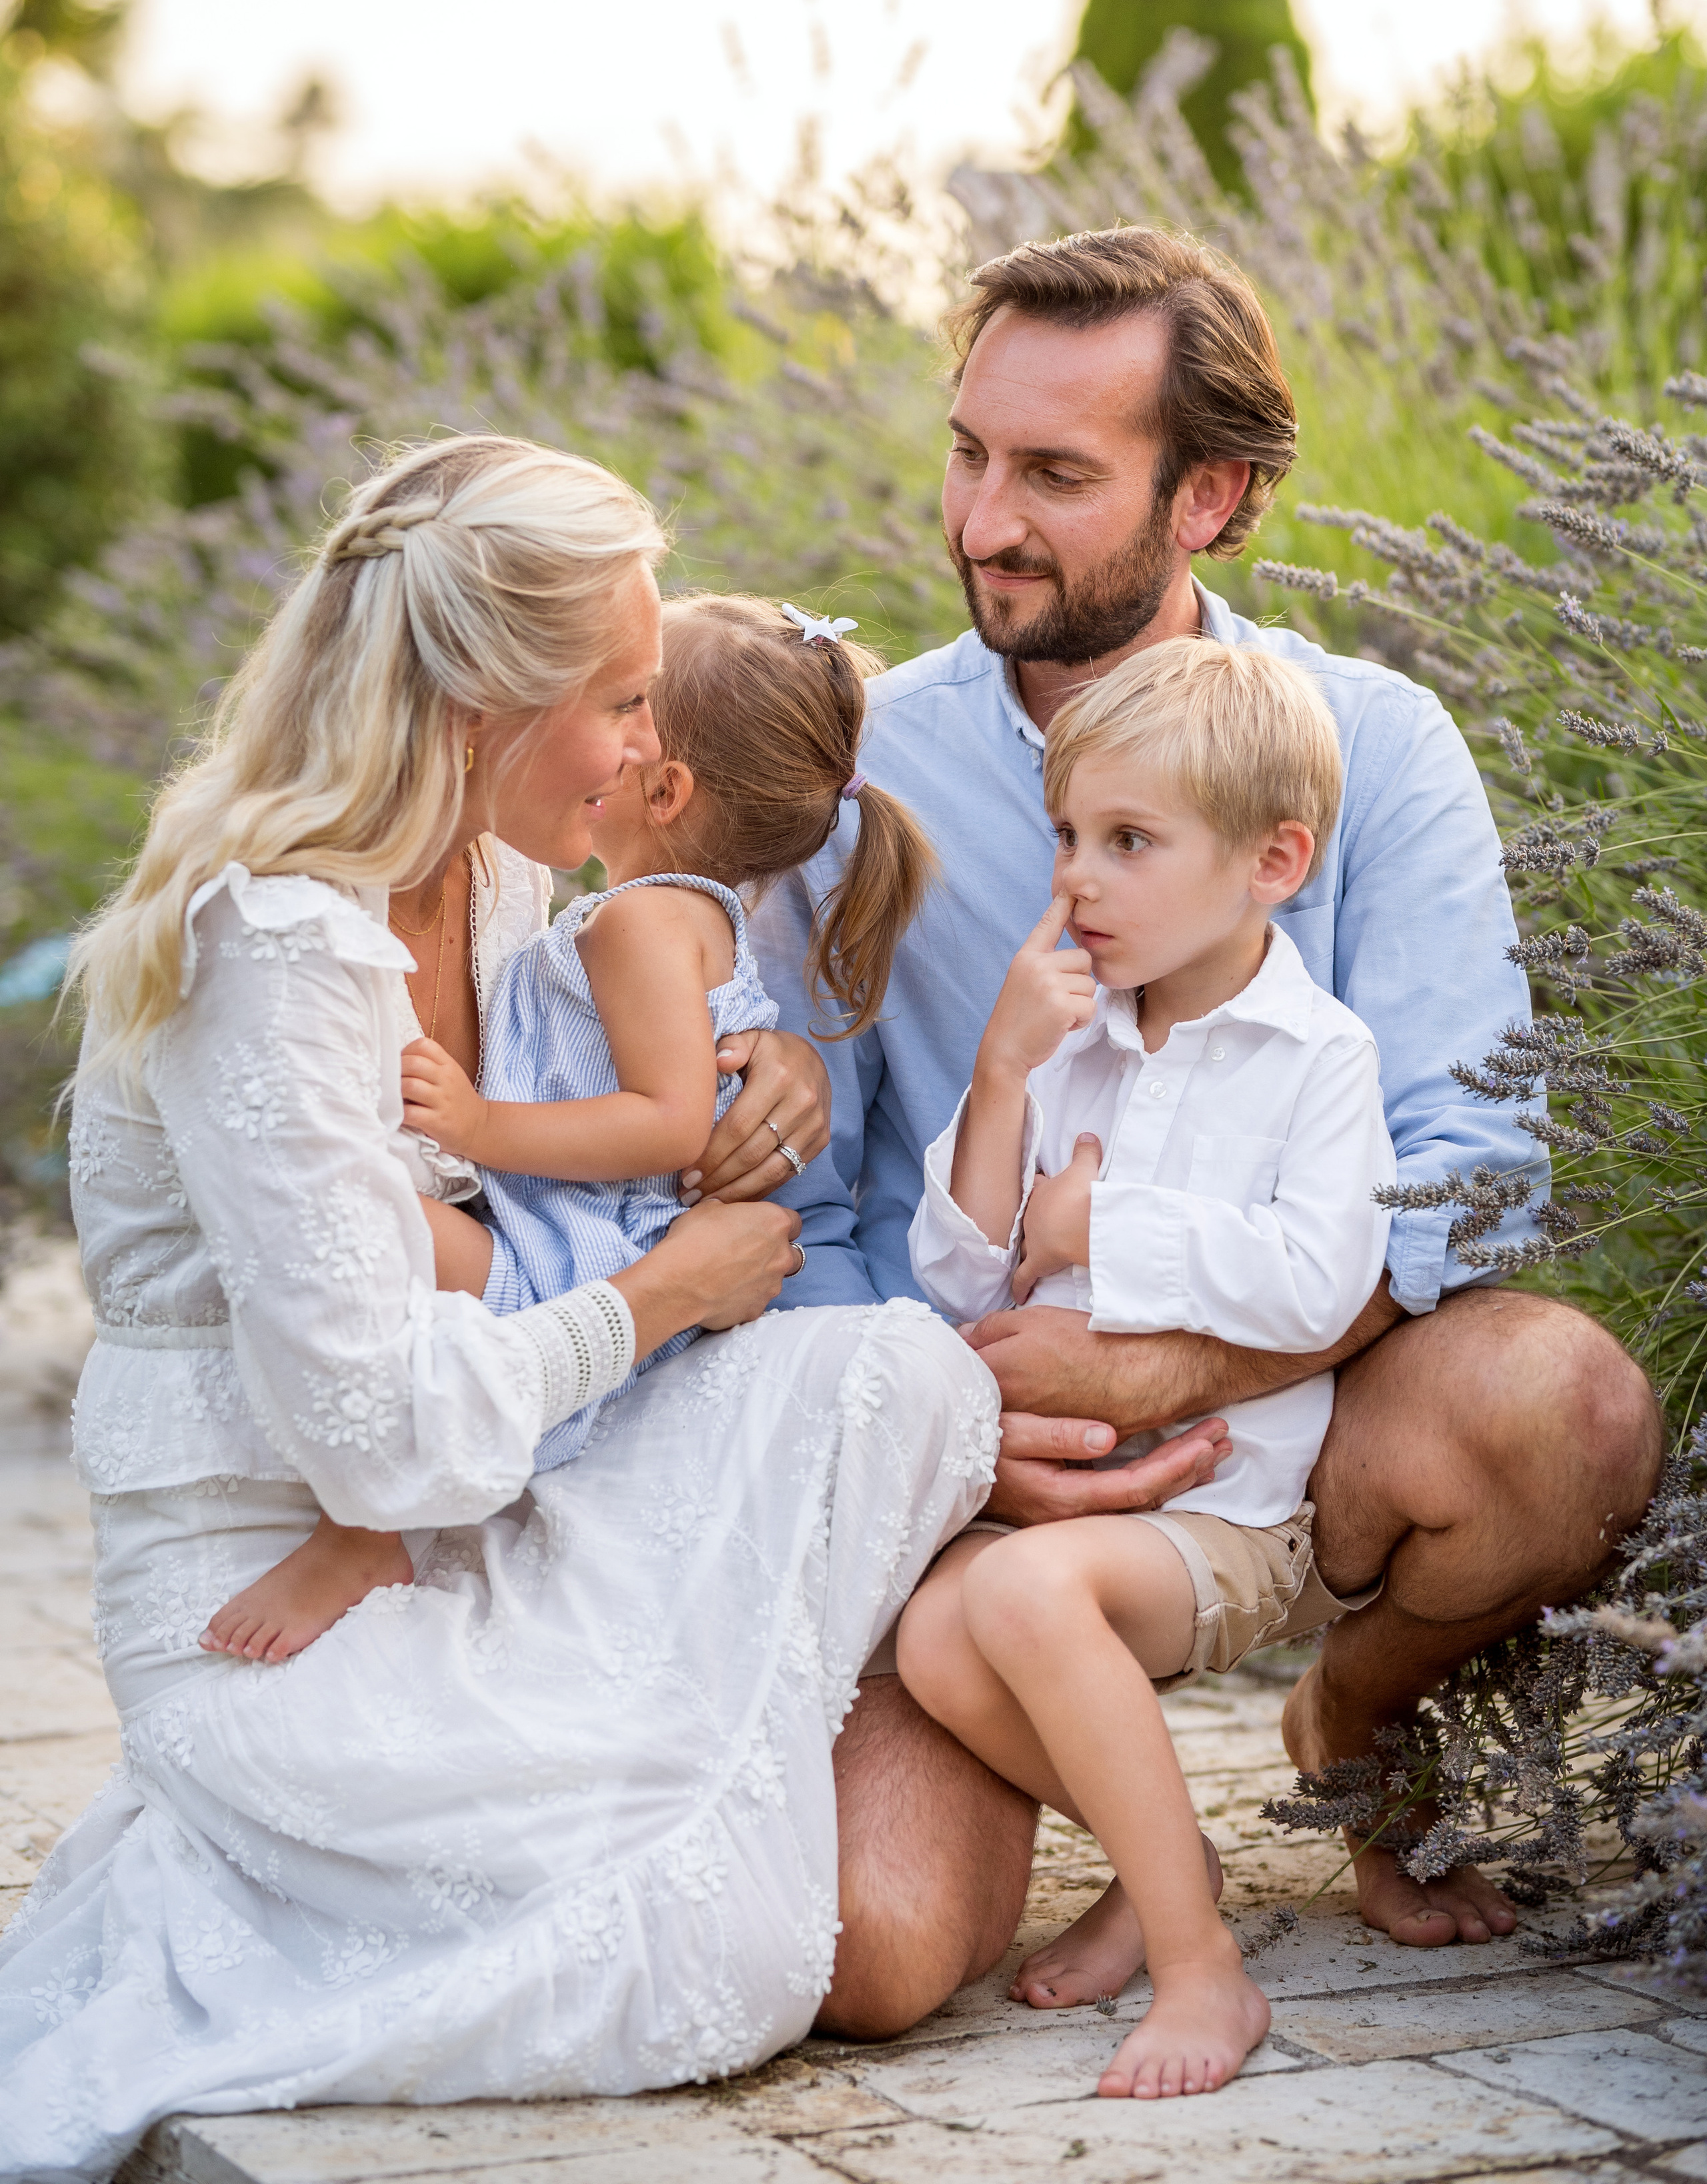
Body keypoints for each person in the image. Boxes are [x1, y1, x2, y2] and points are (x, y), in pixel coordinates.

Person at [0, 441, 999, 2184]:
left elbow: (581, 1124)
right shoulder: (279, 947)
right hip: (284, 1590)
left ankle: (768, 1723)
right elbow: (379, 1433)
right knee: (717, 1949)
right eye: (615, 701)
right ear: (479, 699)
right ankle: (299, 1855)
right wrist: (659, 1297)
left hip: (484, 1479)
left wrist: (749, 1080)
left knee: (895, 1370)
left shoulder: (504, 863)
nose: (640, 752)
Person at [751, 225, 1666, 2038]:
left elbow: (1469, 1178)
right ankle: (1160, 1848)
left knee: (1566, 1407)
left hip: (1307, 1430)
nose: (984, 520)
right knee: (871, 1959)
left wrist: (1171, 1364)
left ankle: (1352, 1722)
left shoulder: (1373, 749)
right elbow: (800, 1205)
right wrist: (961, 1431)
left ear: (1215, 497)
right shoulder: (848, 778)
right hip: (975, 1446)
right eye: (970, 451)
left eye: (1058, 476)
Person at [199, 590, 937, 1665]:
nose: (616, 733)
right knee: (392, 1234)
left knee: (391, 1231)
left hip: (607, 1236)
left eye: (636, 707)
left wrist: (481, 1125)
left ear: (666, 787)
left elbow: (671, 1122)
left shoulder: (638, 921)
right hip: (592, 1222)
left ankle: (364, 1530)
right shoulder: (645, 913)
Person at [897, 637, 1393, 2097]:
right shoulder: (1068, 1047)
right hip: (1090, 1506)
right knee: (936, 1640)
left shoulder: (1315, 1058)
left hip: (1228, 1518)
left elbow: (1322, 1281)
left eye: (1125, 842)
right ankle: (1158, 1874)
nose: (1076, 882)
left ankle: (1199, 1974)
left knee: (1025, 1592)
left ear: (1270, 861)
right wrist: (996, 1081)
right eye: (1063, 837)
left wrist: (1098, 1219)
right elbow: (958, 1277)